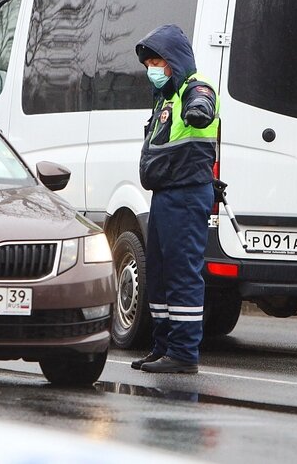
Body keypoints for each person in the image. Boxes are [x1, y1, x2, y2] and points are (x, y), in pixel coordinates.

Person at [130, 24, 219, 374]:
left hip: (186, 194)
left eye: (157, 62)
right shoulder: (165, 98)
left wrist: (197, 109)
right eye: (148, 63)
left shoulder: (194, 88)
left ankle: (183, 354)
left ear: (174, 62)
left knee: (183, 274)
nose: (152, 69)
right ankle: (163, 346)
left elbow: (203, 104)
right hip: (166, 194)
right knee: (161, 275)